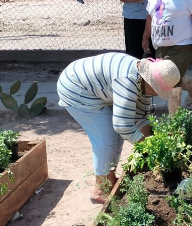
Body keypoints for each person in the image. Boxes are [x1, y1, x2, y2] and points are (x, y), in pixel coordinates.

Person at [58, 54, 180, 203]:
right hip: (76, 89)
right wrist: (149, 149)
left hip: (96, 89)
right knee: (106, 137)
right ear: (151, 81)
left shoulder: (143, 82)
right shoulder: (128, 81)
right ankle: (99, 190)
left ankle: (110, 178)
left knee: (116, 137)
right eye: (157, 90)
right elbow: (122, 126)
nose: (156, 94)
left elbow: (140, 117)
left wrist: (152, 143)